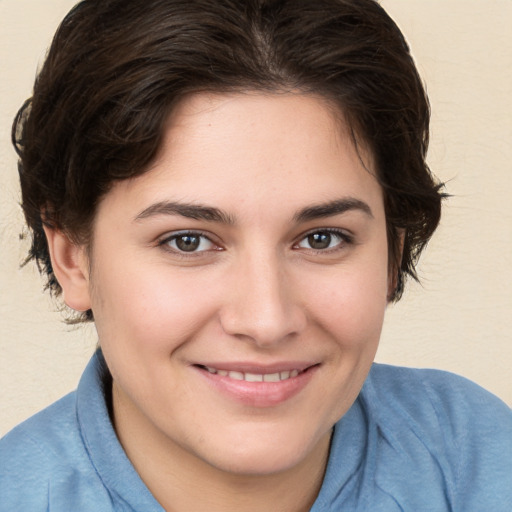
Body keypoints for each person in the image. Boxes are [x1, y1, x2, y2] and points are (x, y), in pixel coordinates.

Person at [0, 0, 511, 510]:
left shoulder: (480, 459)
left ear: (392, 255)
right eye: (188, 241)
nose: (266, 321)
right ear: (72, 258)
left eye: (322, 238)